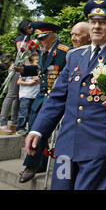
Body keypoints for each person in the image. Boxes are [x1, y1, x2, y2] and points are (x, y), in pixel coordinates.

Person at [24, 0, 106, 190]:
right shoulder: (75, 56)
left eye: (103, 22)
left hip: (98, 144)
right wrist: (38, 129)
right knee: (60, 187)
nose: (96, 27)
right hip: (66, 146)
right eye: (93, 22)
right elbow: (57, 98)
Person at [15, 22, 70, 183]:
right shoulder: (45, 52)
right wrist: (22, 70)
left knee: (38, 129)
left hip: (56, 98)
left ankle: (31, 165)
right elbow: (41, 71)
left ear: (52, 37)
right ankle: (39, 163)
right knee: (35, 128)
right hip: (42, 97)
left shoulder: (64, 52)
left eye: (43, 38)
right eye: (39, 39)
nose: (39, 42)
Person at [0, 19, 33, 135]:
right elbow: (23, 55)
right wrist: (30, 69)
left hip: (24, 70)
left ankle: (14, 122)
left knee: (19, 98)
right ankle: (2, 123)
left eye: (32, 27)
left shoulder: (30, 40)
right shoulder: (20, 39)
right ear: (23, 27)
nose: (31, 29)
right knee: (11, 96)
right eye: (29, 27)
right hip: (18, 69)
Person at [16, 52, 40, 136]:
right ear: (31, 62)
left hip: (35, 95)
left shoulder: (40, 72)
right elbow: (19, 81)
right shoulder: (27, 70)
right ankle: (20, 127)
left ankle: (31, 128)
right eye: (37, 61)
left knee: (32, 113)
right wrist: (29, 84)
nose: (38, 63)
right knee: (24, 112)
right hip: (26, 95)